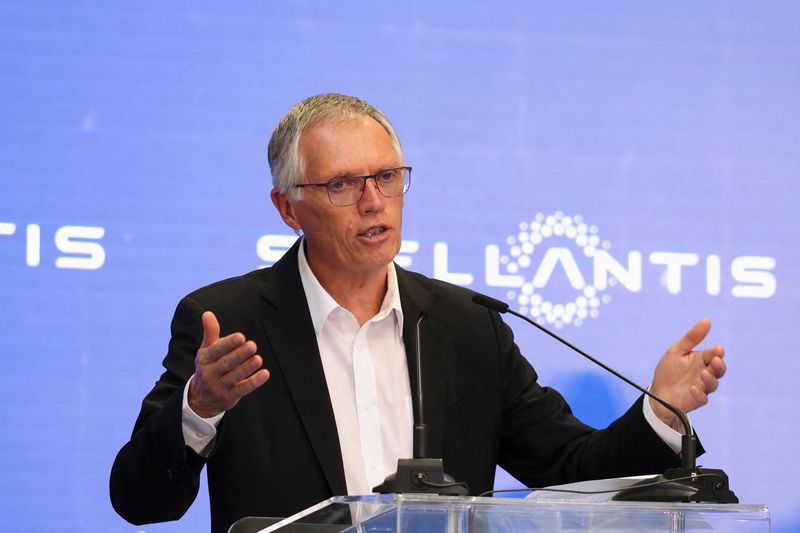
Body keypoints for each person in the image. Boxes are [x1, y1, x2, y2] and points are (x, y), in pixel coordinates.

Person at [110, 93, 727, 532]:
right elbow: (140, 501)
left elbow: (569, 468)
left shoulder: (467, 325)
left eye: (387, 177)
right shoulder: (228, 320)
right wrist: (199, 409)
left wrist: (659, 413)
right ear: (287, 207)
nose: (374, 202)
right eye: (342, 185)